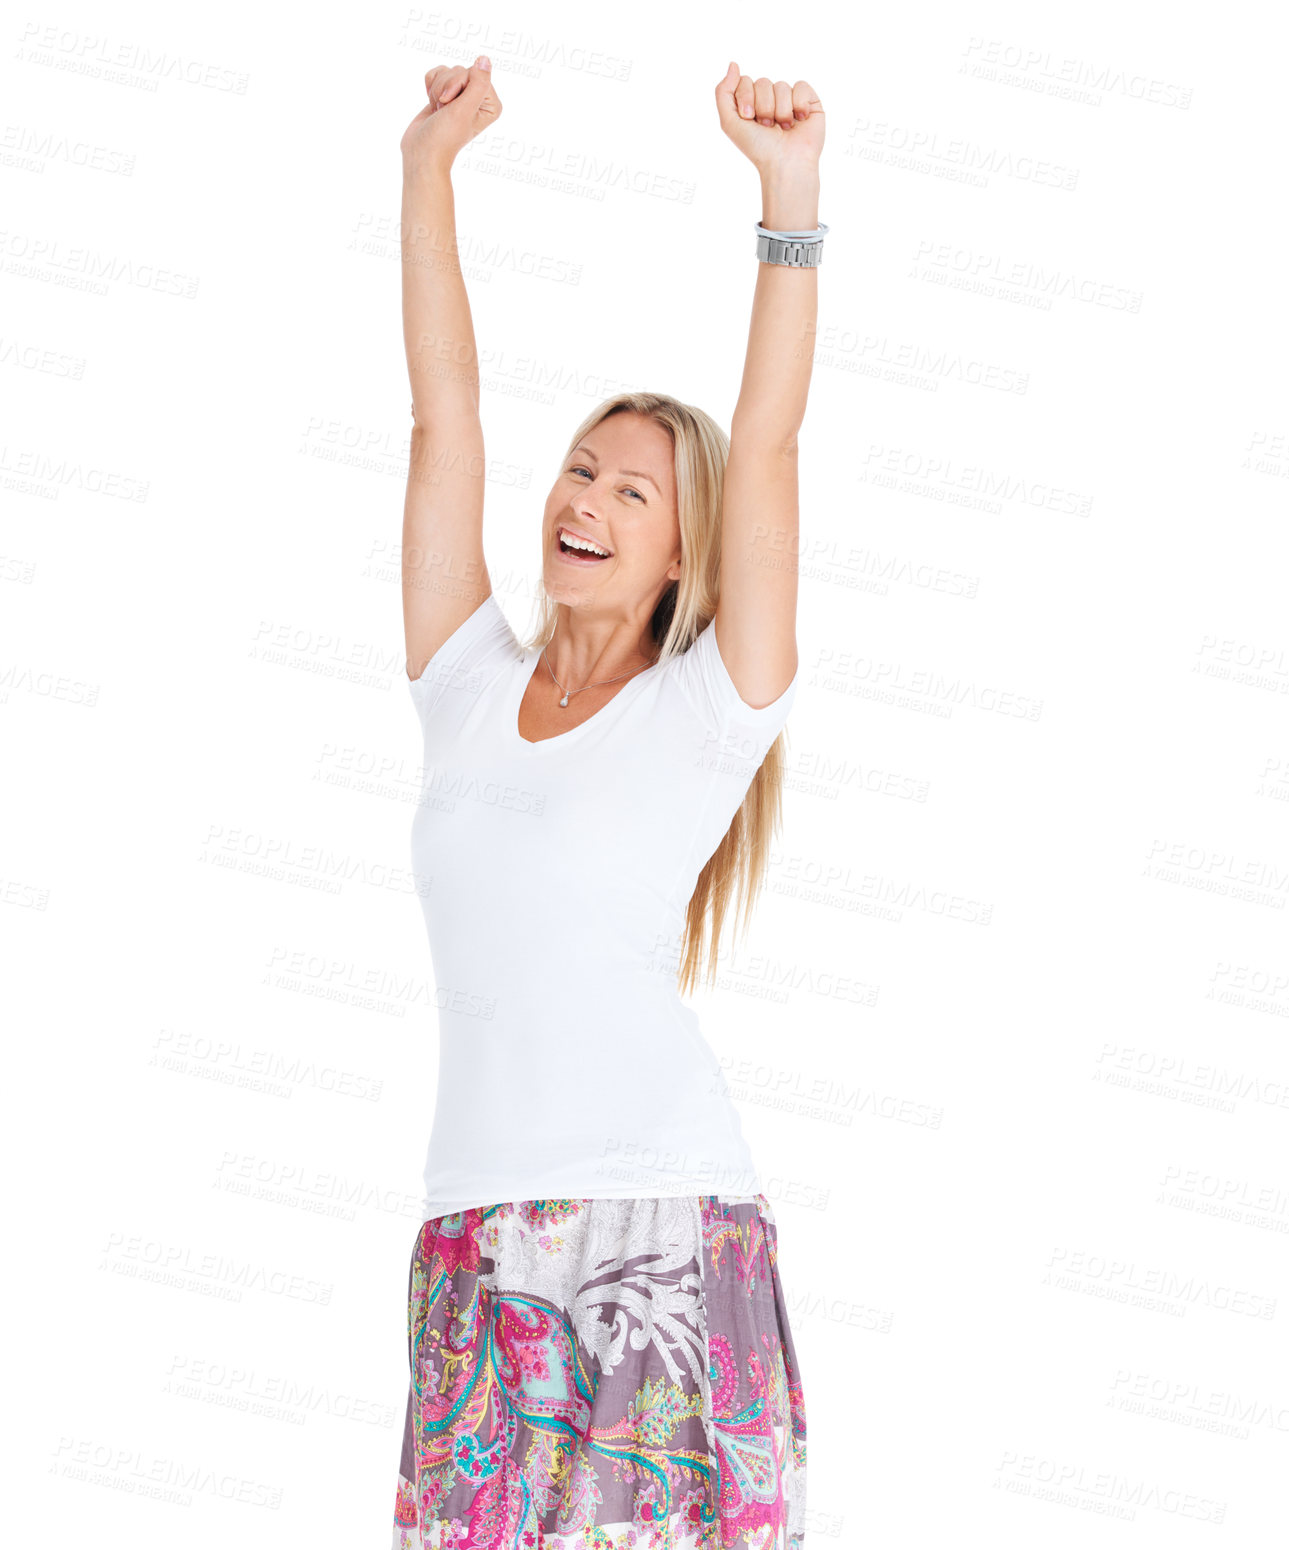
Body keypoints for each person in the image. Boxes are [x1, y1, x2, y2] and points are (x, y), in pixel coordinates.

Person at [392, 55, 825, 1550]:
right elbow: (442, 424)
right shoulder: (463, 684)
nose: (584, 498)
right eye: (581, 469)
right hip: (472, 1231)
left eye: (634, 492)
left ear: (681, 557)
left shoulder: (703, 713)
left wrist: (788, 206)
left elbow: (763, 444)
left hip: (662, 1219)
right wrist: (428, 173)